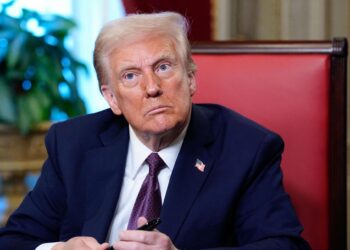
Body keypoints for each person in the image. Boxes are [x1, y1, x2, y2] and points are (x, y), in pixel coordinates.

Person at [0, 12, 310, 250]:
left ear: (190, 78)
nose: (152, 88)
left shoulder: (247, 149)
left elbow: (284, 246)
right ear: (111, 98)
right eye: (131, 76)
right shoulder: (73, 144)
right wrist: (59, 248)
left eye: (163, 67)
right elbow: (14, 240)